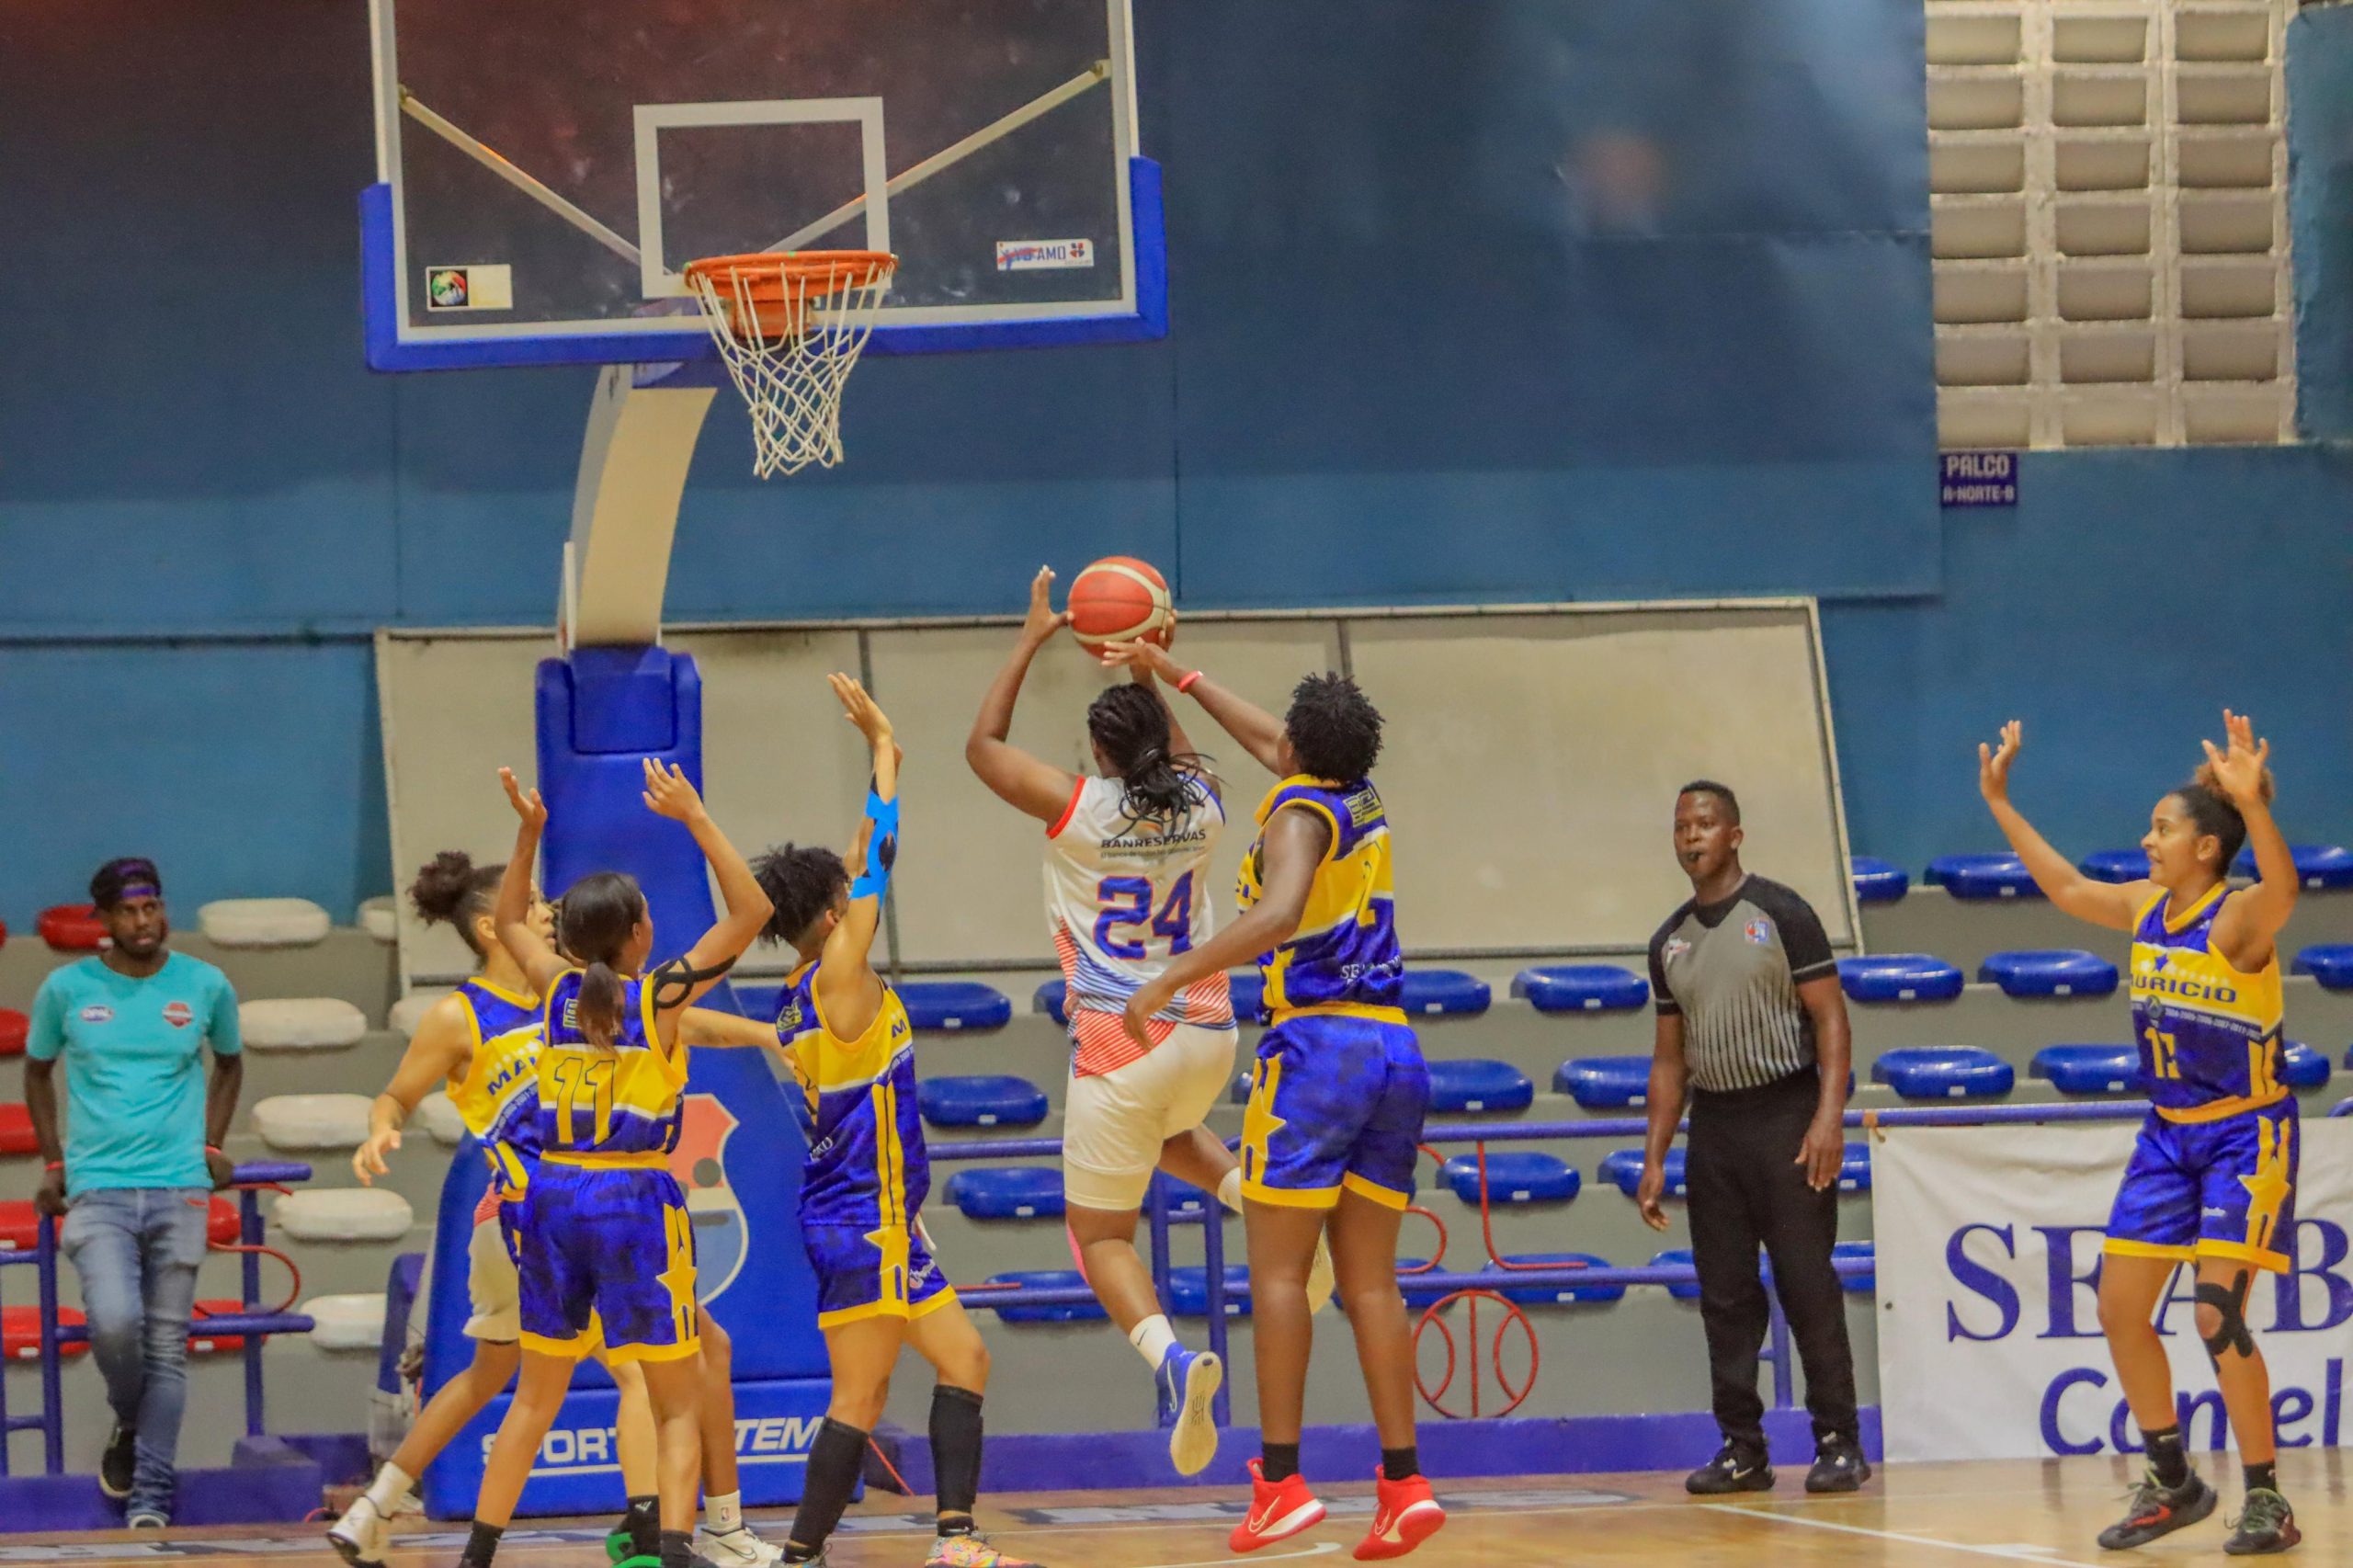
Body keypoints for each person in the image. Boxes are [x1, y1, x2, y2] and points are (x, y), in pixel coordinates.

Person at [963, 567, 1330, 1477]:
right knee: (1167, 1137)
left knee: (1099, 1237)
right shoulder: (1202, 802)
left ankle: (1170, 1362)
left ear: (1097, 751)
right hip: (1207, 1031)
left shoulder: (1078, 808)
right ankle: (1269, 1207)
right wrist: (1148, 663)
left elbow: (982, 745)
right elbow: (1180, 753)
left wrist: (1031, 637)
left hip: (1121, 1035)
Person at [333, 853, 785, 1568]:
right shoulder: (470, 1012)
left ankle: (384, 1509)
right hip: (541, 1211)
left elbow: (671, 1015)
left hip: (549, 1208)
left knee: (502, 1380)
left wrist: (764, 1034)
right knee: (649, 1376)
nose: (544, 911)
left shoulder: (562, 993)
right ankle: (664, 1535)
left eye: (551, 904)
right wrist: (381, 1125)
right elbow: (397, 1094)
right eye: (534, 903)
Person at [1104, 645, 1444, 1562]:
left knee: (1280, 1275)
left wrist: (1170, 976)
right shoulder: (1356, 796)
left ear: (1301, 745)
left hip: (1319, 1053)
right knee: (1370, 1282)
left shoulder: (1296, 816)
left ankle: (1283, 1483)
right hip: (1393, 1049)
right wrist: (1170, 672)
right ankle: (1404, 1484)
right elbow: (1268, 741)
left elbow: (1280, 912)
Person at [1979, 713, 2301, 1555]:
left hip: (2243, 1134)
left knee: (2215, 1314)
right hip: (2168, 1134)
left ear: (2206, 847)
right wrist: (2001, 802)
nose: (2146, 840)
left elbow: (2285, 890)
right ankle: (2173, 1481)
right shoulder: (2144, 906)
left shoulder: (2238, 920)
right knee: (2119, 1306)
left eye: (2162, 828)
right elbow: (2063, 887)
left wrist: (2253, 805)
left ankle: (2267, 1498)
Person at [729, 675, 1032, 1568]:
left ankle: (954, 1539)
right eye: (846, 897)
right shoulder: (840, 977)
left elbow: (859, 852)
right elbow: (878, 859)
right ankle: (800, 1555)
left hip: (882, 1215)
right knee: (858, 1398)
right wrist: (886, 754)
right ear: (833, 917)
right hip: (861, 1218)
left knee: (965, 1357)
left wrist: (880, 760)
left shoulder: (801, 991)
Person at [454, 759, 772, 1568]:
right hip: (631, 1200)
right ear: (638, 934)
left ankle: (477, 1555)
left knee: (534, 1398)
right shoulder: (658, 997)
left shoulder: (555, 988)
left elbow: (510, 919)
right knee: (676, 1399)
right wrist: (695, 817)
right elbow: (754, 911)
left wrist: (528, 832)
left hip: (552, 1195)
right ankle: (674, 1550)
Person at [1634, 782, 1864, 1496]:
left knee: (1807, 1285)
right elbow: (1669, 1060)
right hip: (1716, 1129)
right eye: (1681, 826)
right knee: (1726, 1298)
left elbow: (1831, 1018)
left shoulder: (1783, 913)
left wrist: (1828, 1116)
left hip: (1787, 1115)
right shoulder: (1668, 941)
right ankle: (1743, 1448)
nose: (1691, 836)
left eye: (1704, 824)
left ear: (1734, 834)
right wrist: (1654, 1156)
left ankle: (1839, 1442)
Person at [25, 857, 243, 1528]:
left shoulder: (205, 984)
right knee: (116, 1324)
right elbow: (36, 1072)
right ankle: (130, 1418)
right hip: (98, 1190)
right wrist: (54, 1162)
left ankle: (151, 1496)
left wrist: (211, 1146)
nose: (143, 921)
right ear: (104, 919)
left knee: (167, 1347)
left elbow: (230, 1064)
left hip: (179, 1188)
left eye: (152, 907)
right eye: (127, 910)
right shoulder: (66, 989)